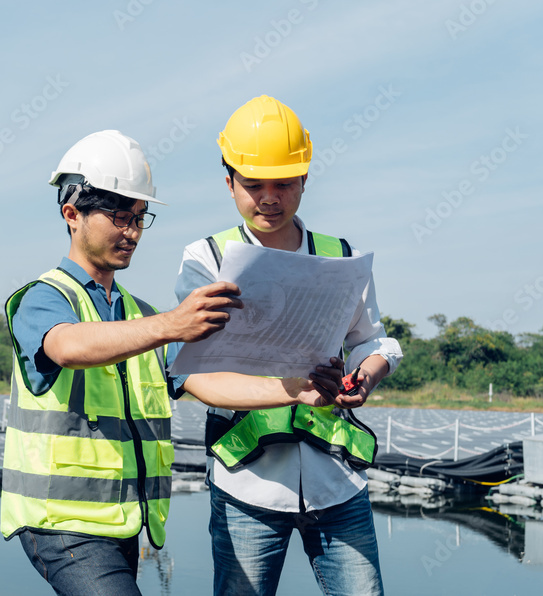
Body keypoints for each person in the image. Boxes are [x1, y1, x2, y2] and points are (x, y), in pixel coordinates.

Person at [1, 129, 348, 596]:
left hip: (123, 523)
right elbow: (68, 346)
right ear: (71, 215)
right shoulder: (45, 298)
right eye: (120, 217)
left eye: (141, 219)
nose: (132, 233)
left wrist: (293, 390)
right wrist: (173, 324)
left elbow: (203, 383)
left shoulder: (139, 314)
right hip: (61, 522)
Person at [174, 95, 404, 596]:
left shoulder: (338, 255)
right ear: (228, 179)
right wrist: (293, 390)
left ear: (305, 178)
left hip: (337, 481)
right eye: (253, 185)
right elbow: (194, 374)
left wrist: (367, 374)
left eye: (283, 184)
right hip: (248, 485)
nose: (269, 198)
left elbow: (371, 340)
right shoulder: (208, 259)